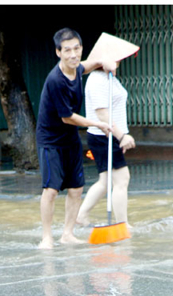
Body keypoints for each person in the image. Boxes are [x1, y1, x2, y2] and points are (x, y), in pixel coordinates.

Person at [36, 28, 115, 249]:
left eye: (77, 49)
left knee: (76, 188)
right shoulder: (56, 80)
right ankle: (47, 237)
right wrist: (97, 123)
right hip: (50, 140)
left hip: (69, 139)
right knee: (51, 190)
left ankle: (67, 234)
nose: (73, 54)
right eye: (67, 50)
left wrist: (102, 62)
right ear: (58, 52)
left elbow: (85, 67)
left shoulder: (75, 69)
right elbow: (68, 118)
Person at [76, 60, 136, 230]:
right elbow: (102, 114)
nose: (118, 62)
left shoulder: (109, 78)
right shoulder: (97, 80)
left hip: (111, 136)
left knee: (106, 181)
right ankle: (122, 224)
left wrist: (120, 136)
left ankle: (81, 215)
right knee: (122, 179)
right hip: (104, 137)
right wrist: (121, 135)